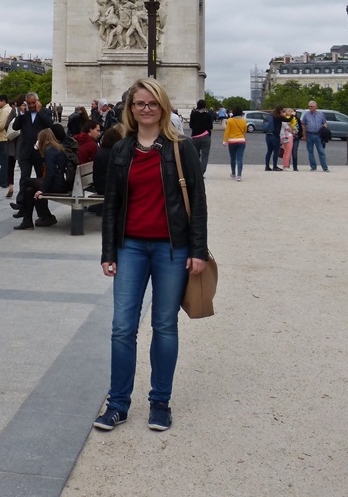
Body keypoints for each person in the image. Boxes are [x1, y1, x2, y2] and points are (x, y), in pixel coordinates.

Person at [93, 78, 208, 433]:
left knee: (164, 326)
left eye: (152, 104)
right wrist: (107, 251)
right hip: (130, 247)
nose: (146, 109)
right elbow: (111, 204)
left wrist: (198, 250)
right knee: (121, 328)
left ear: (164, 106)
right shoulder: (121, 150)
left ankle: (160, 402)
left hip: (171, 249)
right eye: (139, 104)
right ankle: (118, 403)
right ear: (131, 108)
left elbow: (198, 203)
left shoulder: (181, 148)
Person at [13, 127, 69, 230]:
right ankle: (28, 220)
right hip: (61, 183)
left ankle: (24, 212)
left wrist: (42, 190)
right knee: (29, 190)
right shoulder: (57, 148)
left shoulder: (50, 150)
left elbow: (50, 173)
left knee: (26, 181)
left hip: (57, 185)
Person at [11, 92, 53, 207]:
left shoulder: (45, 112)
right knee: (24, 177)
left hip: (40, 152)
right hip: (26, 151)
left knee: (40, 178)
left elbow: (50, 124)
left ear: (38, 102)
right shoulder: (25, 114)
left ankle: (41, 204)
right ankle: (21, 203)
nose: (31, 105)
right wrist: (21, 113)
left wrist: (39, 112)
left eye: (33, 103)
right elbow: (15, 127)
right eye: (29, 103)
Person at [0, 95, 14, 188]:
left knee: (3, 161)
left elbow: (1, 125)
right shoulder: (9, 109)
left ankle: (2, 181)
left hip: (1, 138)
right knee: (5, 161)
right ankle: (6, 181)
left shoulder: (5, 111)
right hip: (5, 138)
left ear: (4, 101)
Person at [301, 101, 330, 172]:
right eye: (309, 106)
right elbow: (303, 125)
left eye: (311, 106)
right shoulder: (306, 115)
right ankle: (313, 166)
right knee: (310, 152)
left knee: (321, 151)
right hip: (309, 134)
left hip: (318, 135)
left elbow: (325, 123)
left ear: (315, 107)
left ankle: (325, 167)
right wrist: (304, 135)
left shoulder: (320, 114)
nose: (310, 108)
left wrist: (324, 129)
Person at [188, 100, 214, 175]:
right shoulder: (208, 115)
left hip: (195, 137)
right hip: (205, 136)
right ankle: (201, 172)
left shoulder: (193, 114)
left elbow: (190, 126)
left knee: (196, 155)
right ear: (205, 106)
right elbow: (210, 127)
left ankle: (196, 171)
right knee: (205, 156)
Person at [222, 106, 247, 179]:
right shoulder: (243, 121)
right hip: (241, 140)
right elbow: (245, 130)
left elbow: (227, 131)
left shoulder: (230, 120)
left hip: (232, 141)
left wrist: (224, 140)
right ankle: (239, 175)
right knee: (240, 159)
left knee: (233, 158)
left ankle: (233, 173)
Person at [264, 106, 288, 171]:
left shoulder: (270, 115)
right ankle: (275, 166)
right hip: (275, 136)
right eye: (282, 111)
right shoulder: (279, 117)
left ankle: (267, 166)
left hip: (268, 135)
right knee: (276, 151)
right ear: (280, 110)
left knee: (269, 151)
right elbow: (288, 120)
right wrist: (292, 115)